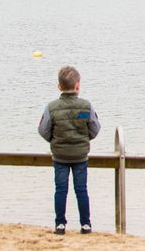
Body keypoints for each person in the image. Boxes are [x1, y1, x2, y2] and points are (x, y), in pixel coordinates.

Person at [37, 65, 101, 235]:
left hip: (60, 156)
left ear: (59, 86)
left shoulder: (51, 107)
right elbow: (95, 128)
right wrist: (84, 139)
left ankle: (60, 224)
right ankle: (86, 224)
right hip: (80, 155)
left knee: (60, 189)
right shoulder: (86, 106)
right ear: (78, 86)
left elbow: (43, 130)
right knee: (81, 189)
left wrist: (54, 140)